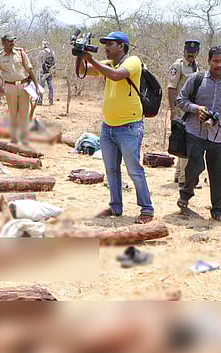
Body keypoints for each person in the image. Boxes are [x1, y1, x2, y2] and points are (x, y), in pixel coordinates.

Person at [76, 31, 155, 224]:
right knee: (111, 170)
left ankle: (147, 209)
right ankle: (115, 206)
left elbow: (117, 76)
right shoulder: (109, 64)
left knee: (134, 170)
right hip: (108, 127)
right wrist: (79, 54)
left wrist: (91, 59)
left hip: (129, 127)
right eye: (105, 44)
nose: (106, 48)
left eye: (110, 44)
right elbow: (81, 71)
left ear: (121, 46)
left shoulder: (133, 61)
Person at [176, 46, 221, 223]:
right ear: (209, 61)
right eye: (215, 61)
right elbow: (180, 100)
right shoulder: (196, 79)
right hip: (195, 132)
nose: (219, 65)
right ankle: (185, 196)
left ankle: (218, 210)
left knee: (218, 173)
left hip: (218, 135)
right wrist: (196, 109)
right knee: (194, 168)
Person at [0, 34, 43, 144]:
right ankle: (14, 139)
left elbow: (29, 69)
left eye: (13, 41)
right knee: (13, 114)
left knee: (24, 113)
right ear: (3, 43)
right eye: (9, 41)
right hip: (10, 88)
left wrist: (36, 85)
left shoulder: (21, 53)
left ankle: (24, 138)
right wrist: (0, 88)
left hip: (24, 87)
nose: (12, 43)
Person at [168, 40, 201, 186]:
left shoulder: (196, 67)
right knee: (185, 142)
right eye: (188, 52)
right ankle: (184, 177)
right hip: (181, 109)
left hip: (191, 108)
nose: (190, 55)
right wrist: (173, 110)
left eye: (193, 53)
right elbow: (171, 88)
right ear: (184, 51)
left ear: (197, 53)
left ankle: (178, 173)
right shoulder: (178, 66)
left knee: (184, 140)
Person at [37, 41, 56, 105]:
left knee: (41, 86)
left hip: (43, 71)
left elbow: (38, 60)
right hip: (49, 71)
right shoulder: (52, 52)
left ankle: (40, 101)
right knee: (50, 85)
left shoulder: (41, 52)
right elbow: (54, 62)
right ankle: (51, 101)